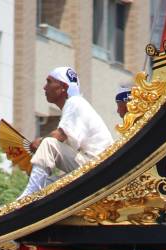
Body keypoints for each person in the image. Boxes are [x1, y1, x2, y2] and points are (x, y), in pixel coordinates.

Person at [21, 67, 112, 198]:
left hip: (96, 166)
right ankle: (32, 196)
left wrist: (40, 142)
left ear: (63, 86)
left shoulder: (75, 102)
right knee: (47, 187)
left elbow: (59, 136)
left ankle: (29, 193)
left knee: (48, 143)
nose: (44, 87)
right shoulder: (76, 106)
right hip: (96, 168)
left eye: (49, 82)